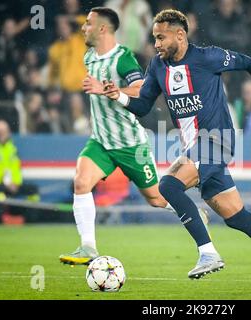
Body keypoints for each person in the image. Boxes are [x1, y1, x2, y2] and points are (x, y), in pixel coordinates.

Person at [103, 9, 251, 292]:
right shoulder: (157, 66)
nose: (155, 44)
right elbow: (142, 106)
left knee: (168, 186)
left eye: (160, 37)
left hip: (217, 139)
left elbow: (248, 62)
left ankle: (208, 252)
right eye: (154, 38)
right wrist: (118, 96)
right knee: (237, 217)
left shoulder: (208, 57)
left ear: (180, 35)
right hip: (195, 146)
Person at [59, 7, 210, 266]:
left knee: (156, 198)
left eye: (88, 24)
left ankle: (192, 211)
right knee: (81, 182)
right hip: (101, 141)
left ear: (102, 28)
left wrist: (109, 89)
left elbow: (142, 89)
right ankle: (88, 248)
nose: (83, 28)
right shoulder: (89, 57)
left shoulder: (123, 57)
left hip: (130, 143)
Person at [0, 120, 40, 222]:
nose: (1, 134)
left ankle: (30, 220)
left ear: (9, 132)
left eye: (4, 131)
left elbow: (16, 169)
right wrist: (2, 182)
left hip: (12, 184)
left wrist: (15, 183)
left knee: (33, 190)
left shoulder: (12, 148)